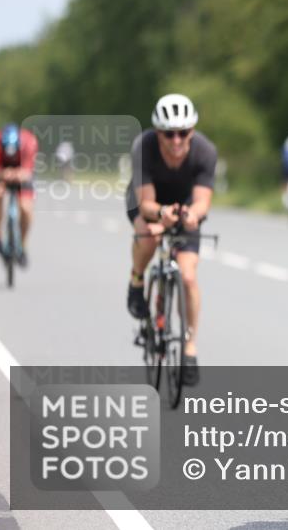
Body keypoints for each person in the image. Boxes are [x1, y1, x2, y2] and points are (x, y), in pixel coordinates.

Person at [125, 94, 217, 386]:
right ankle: (137, 280)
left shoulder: (205, 151)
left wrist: (192, 215)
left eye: (183, 132)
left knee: (188, 276)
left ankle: (189, 348)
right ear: (157, 132)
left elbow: (203, 201)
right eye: (168, 134)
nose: (176, 140)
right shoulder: (144, 147)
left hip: (185, 206)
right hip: (148, 202)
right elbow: (146, 205)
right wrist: (160, 214)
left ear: (192, 130)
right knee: (150, 238)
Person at [0, 123, 38, 266]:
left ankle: (22, 246)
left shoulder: (29, 142)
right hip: (1, 169)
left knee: (25, 208)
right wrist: (3, 174)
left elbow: (27, 172)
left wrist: (19, 174)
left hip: (22, 170)